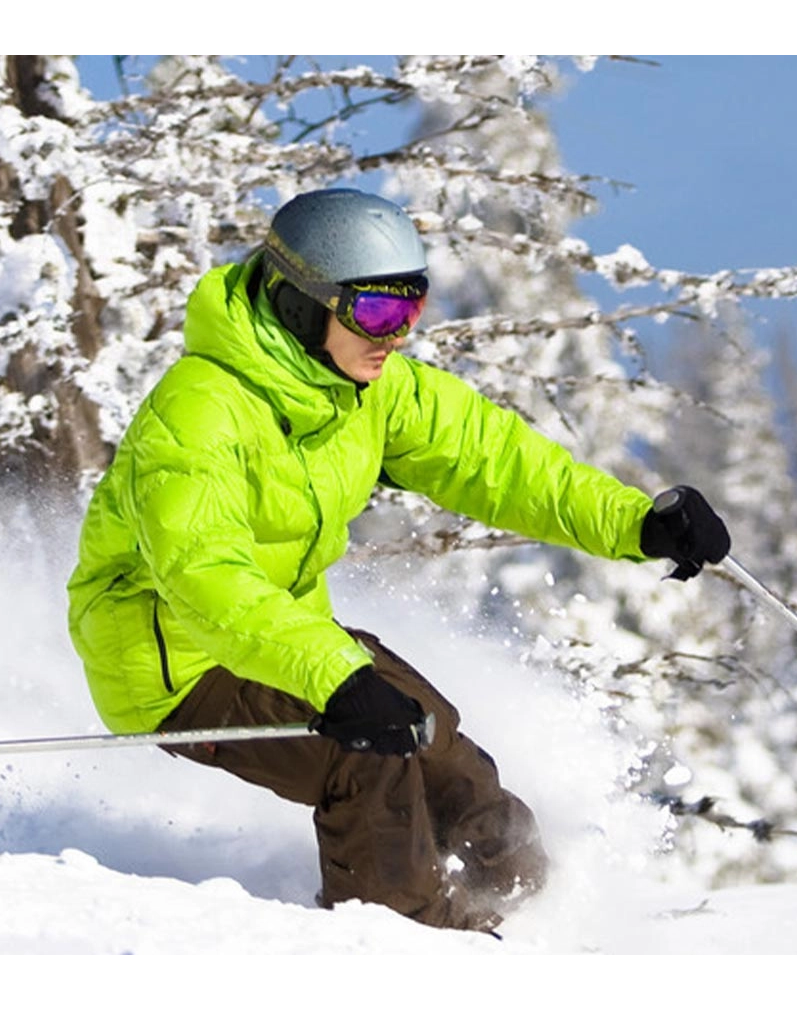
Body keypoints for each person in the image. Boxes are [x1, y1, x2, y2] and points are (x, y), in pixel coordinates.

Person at [66, 187, 730, 933]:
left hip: (277, 634)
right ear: (298, 304)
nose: (397, 337)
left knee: (437, 739)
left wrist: (636, 524)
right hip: (176, 665)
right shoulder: (197, 417)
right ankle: (399, 934)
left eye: (412, 311)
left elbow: (495, 461)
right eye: (377, 313)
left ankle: (538, 913)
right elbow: (205, 578)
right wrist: (334, 676)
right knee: (368, 756)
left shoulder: (365, 389)